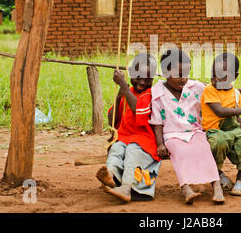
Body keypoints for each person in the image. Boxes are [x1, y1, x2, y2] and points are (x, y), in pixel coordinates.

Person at [149, 48, 225, 204]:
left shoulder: (196, 87)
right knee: (181, 153)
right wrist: (160, 144)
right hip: (172, 135)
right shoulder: (157, 92)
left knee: (204, 149)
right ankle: (186, 188)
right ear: (165, 72)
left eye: (186, 74)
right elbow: (156, 121)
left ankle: (216, 186)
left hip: (195, 131)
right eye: (178, 75)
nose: (183, 79)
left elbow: (217, 94)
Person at [96, 53, 161, 203]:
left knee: (132, 150)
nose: (143, 82)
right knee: (116, 149)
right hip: (124, 137)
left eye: (148, 79)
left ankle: (126, 188)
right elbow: (113, 120)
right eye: (139, 77)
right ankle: (110, 176)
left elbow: (137, 109)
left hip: (144, 140)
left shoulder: (150, 94)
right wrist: (119, 96)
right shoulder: (127, 92)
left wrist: (124, 86)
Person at [201, 52, 241, 196]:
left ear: (234, 77)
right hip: (215, 130)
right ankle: (219, 175)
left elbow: (236, 118)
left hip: (233, 130)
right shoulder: (209, 90)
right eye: (213, 74)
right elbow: (220, 111)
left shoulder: (235, 94)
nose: (215, 79)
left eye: (221, 75)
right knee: (217, 144)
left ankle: (240, 179)